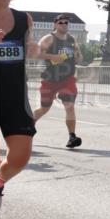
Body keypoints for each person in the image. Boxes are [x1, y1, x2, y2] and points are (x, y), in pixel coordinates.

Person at [0, 0, 53, 214]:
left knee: (20, 157)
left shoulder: (23, 19)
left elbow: (30, 50)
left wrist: (39, 48)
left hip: (15, 96)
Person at [32, 14, 83, 148]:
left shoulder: (72, 39)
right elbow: (37, 54)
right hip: (50, 79)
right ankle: (27, 127)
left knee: (69, 106)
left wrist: (77, 57)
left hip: (67, 79)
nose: (64, 24)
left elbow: (78, 56)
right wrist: (53, 56)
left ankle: (72, 137)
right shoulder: (49, 38)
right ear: (55, 24)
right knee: (44, 108)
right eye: (61, 22)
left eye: (66, 22)